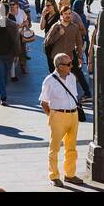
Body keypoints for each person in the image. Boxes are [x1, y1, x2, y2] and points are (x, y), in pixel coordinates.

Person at [40, 53, 84, 186]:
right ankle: (54, 176)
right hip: (58, 116)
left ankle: (70, 175)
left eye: (72, 63)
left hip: (73, 115)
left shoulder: (72, 77)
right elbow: (43, 102)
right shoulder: (49, 80)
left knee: (71, 148)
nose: (72, 66)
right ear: (59, 66)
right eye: (69, 64)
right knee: (55, 148)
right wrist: (53, 115)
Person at [43, 4, 90, 97]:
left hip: (70, 56)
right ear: (61, 14)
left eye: (69, 13)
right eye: (65, 13)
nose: (68, 15)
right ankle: (57, 95)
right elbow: (47, 42)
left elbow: (79, 43)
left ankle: (87, 93)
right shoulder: (56, 26)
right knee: (57, 77)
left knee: (78, 73)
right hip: (57, 57)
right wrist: (58, 34)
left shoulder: (74, 27)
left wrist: (80, 56)